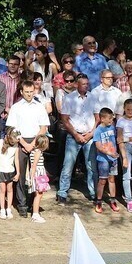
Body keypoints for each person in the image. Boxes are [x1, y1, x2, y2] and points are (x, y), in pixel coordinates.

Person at [6, 80, 50, 215]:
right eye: (27, 92)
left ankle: (33, 202)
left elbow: (44, 126)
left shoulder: (39, 106)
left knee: (35, 173)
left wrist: (34, 144)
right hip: (20, 141)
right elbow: (12, 127)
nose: (29, 94)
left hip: (36, 141)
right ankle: (22, 204)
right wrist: (24, 143)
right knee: (20, 173)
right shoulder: (16, 107)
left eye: (31, 92)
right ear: (21, 92)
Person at [57, 74, 96, 204]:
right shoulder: (69, 98)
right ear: (77, 85)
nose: (86, 86)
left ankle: (93, 193)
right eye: (83, 84)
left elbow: (98, 117)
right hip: (74, 135)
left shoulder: (93, 97)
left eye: (87, 84)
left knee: (91, 166)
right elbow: (64, 119)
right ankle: (62, 192)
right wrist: (75, 134)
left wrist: (92, 133)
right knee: (68, 165)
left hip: (89, 135)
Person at [92, 108, 120, 213]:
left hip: (113, 158)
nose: (111, 120)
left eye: (112, 118)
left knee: (112, 179)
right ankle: (98, 201)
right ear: (102, 118)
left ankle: (113, 200)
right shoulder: (98, 130)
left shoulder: (112, 127)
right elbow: (98, 146)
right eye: (109, 118)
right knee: (102, 180)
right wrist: (108, 153)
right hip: (103, 159)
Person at [0, 127, 20, 219]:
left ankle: (8, 208)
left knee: (10, 189)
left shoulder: (16, 146)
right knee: (2, 189)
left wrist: (18, 172)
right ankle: (2, 209)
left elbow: (16, 160)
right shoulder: (0, 142)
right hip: (1, 170)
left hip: (10, 170)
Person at [26, 134, 51, 222]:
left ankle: (35, 213)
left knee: (39, 194)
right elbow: (34, 165)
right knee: (38, 194)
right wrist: (32, 178)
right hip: (38, 174)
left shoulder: (33, 151)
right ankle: (35, 214)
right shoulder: (38, 152)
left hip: (38, 173)